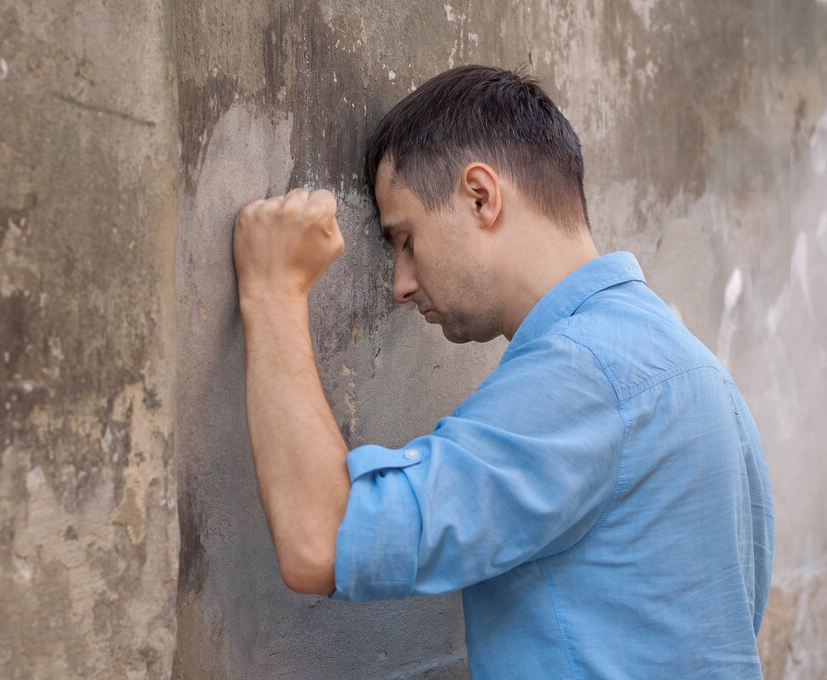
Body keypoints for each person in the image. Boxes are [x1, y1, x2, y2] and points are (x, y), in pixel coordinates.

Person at [232, 65, 773, 678]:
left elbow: (322, 541)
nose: (401, 286)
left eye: (406, 238)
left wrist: (274, 291)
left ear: (481, 196)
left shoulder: (586, 375)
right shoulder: (691, 369)